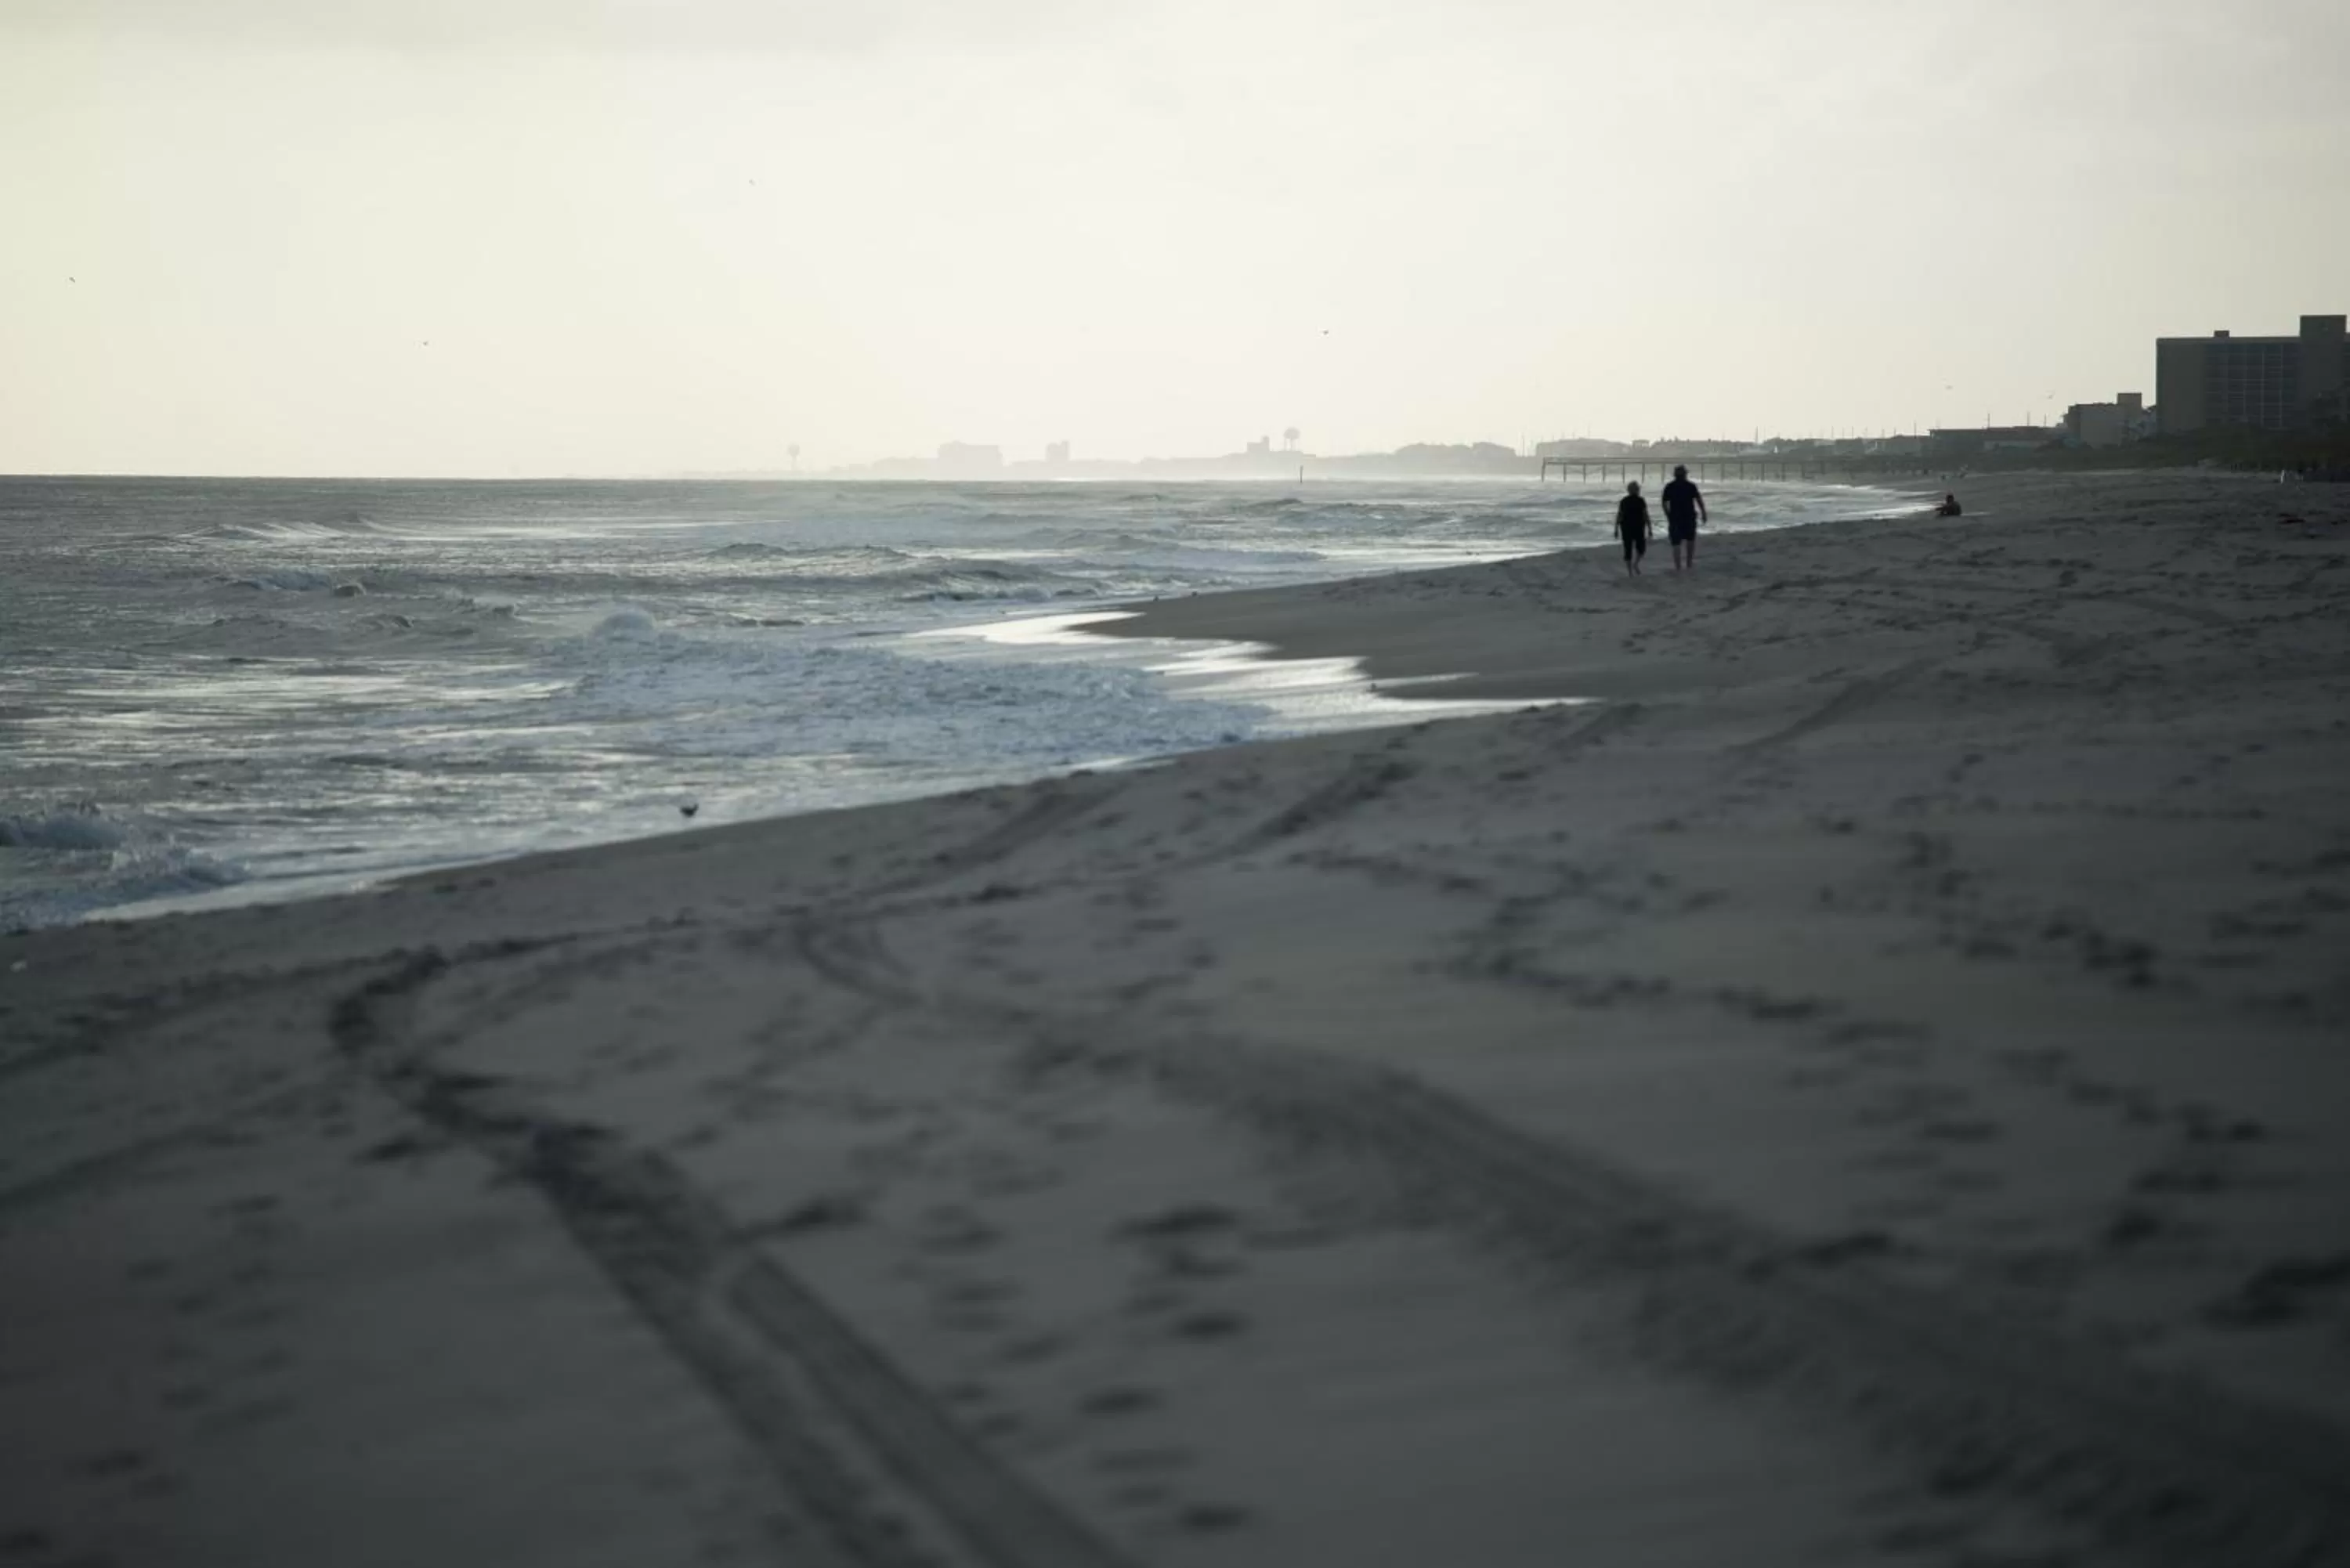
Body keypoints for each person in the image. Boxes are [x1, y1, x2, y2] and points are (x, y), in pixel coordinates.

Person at [1660, 464, 1707, 571]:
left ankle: (1678, 567)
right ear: (1685, 474)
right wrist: (1704, 513)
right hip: (1689, 516)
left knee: (1676, 543)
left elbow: (1664, 503)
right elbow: (1699, 500)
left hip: (1675, 517)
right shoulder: (1691, 486)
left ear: (1675, 475)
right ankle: (1689, 563)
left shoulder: (1669, 486)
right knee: (1690, 540)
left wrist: (1668, 515)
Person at [1615, 481, 1650, 575]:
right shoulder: (1626, 501)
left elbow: (1645, 514)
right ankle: (1631, 570)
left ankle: (1634, 566)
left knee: (1638, 549)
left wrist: (1616, 528)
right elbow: (1620, 515)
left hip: (1634, 527)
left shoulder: (1639, 500)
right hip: (1630, 527)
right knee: (1631, 549)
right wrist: (1616, 528)